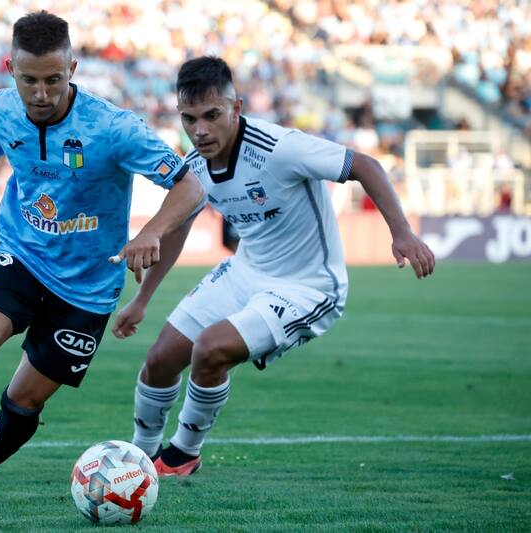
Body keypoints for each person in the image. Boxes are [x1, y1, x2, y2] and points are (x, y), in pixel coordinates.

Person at [0, 11, 203, 506]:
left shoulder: (112, 128)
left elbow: (190, 186)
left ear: (74, 67)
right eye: (30, 80)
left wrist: (151, 231)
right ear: (10, 69)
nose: (41, 94)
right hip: (22, 254)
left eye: (54, 79)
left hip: (89, 288)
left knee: (23, 399)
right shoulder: (4, 108)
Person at [112, 57, 435, 477]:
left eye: (212, 116)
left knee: (210, 349)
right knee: (160, 357)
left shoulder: (280, 148)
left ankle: (182, 453)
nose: (200, 130)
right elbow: (174, 232)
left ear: (237, 107)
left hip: (308, 287)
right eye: (189, 119)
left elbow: (365, 166)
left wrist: (402, 232)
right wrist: (142, 299)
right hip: (247, 271)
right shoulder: (194, 168)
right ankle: (138, 459)